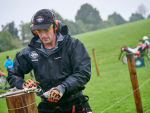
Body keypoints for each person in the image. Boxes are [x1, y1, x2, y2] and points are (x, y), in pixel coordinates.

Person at [7, 9, 92, 113]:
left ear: (56, 27)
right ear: (34, 31)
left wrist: (63, 87)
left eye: (46, 30)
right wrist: (23, 85)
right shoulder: (29, 52)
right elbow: (13, 74)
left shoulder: (73, 45)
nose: (43, 35)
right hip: (47, 107)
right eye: (39, 31)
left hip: (75, 104)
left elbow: (83, 72)